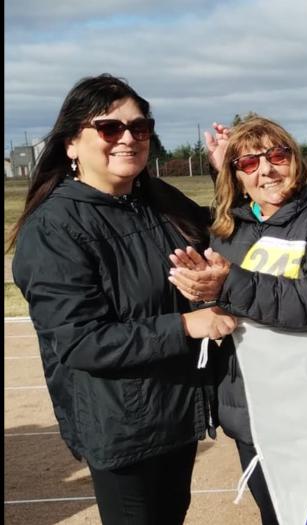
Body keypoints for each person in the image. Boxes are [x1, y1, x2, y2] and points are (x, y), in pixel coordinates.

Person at [8, 74, 237, 524]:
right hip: (121, 427)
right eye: (110, 128)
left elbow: (225, 232)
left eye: (140, 127)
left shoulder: (156, 198)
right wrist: (187, 326)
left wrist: (224, 170)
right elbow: (79, 340)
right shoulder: (55, 227)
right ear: (72, 143)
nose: (128, 138)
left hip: (177, 409)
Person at [170, 116, 307, 525]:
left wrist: (226, 286)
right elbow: (223, 300)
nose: (266, 169)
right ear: (236, 176)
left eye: (277, 155)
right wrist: (198, 292)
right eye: (248, 164)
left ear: (295, 159)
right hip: (251, 410)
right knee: (275, 515)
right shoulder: (228, 228)